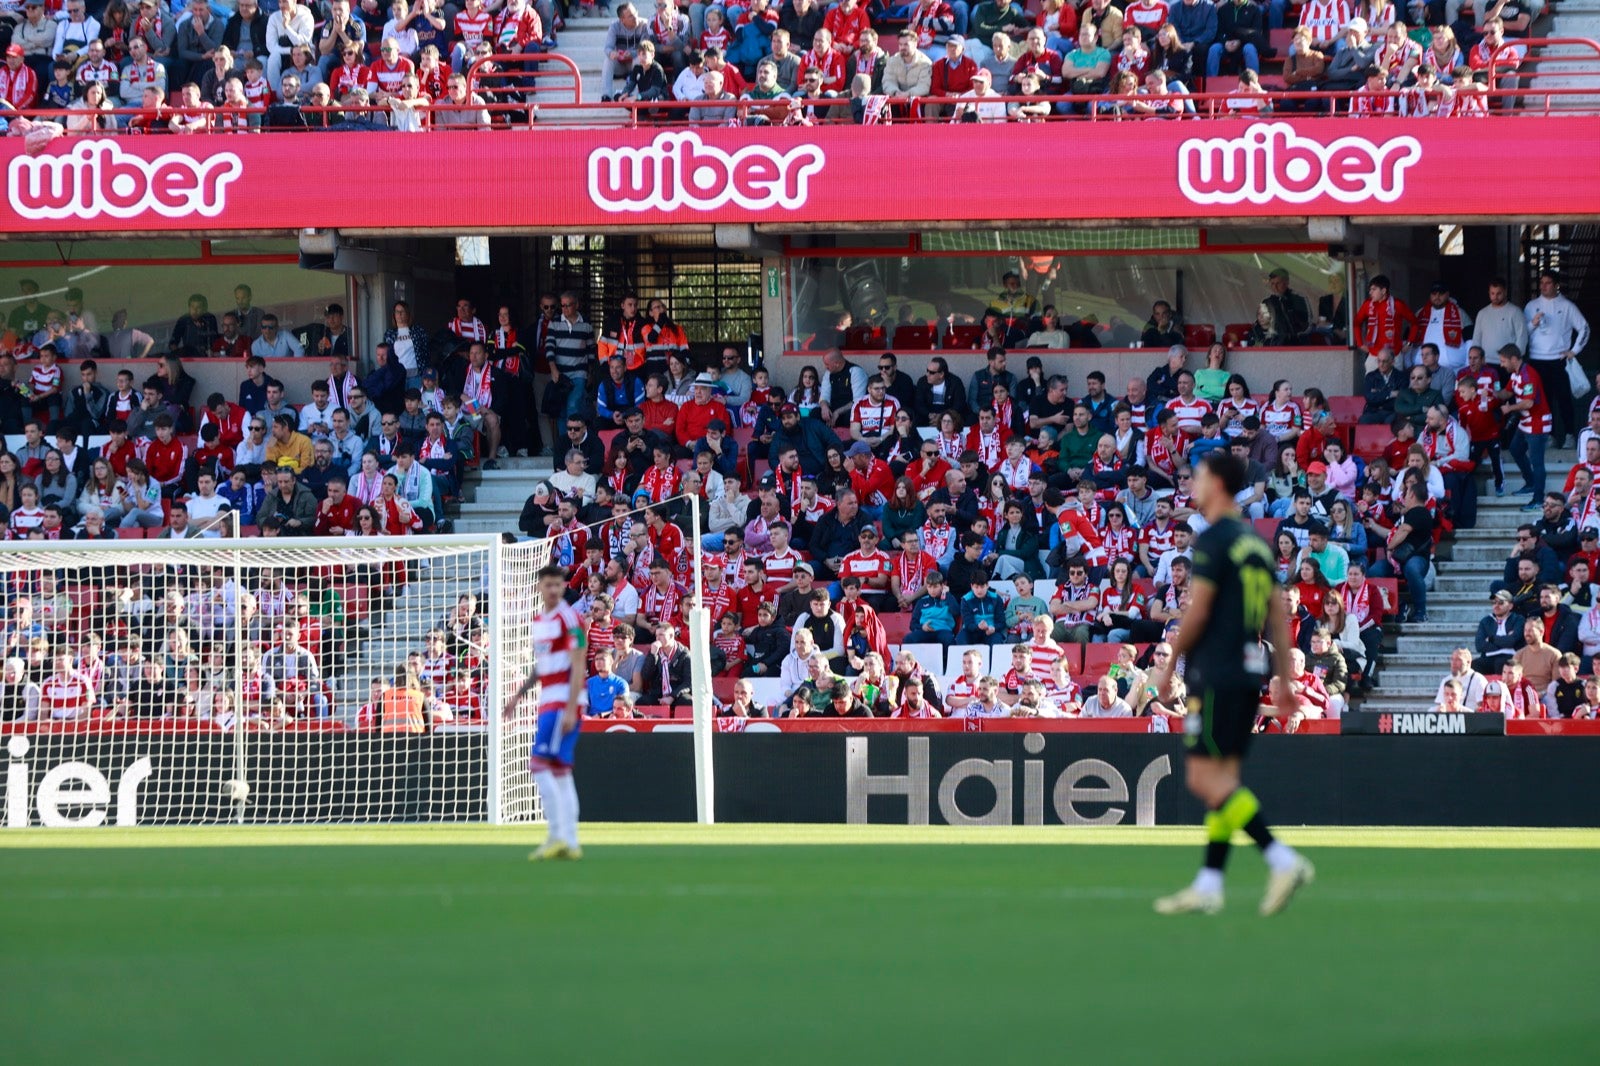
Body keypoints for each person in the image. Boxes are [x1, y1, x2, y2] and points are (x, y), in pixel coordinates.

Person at [1150, 450, 1313, 917]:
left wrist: (1171, 665)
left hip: (1216, 670)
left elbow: (1198, 611)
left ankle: (1282, 859)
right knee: (1224, 780)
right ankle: (1209, 882)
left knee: (1204, 777)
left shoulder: (1214, 540)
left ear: (1217, 484)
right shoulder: (1257, 543)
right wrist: (1282, 678)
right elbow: (1277, 617)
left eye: (1198, 476)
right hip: (1249, 669)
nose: (1192, 485)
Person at [504, 565, 587, 862]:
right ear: (539, 587)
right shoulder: (539, 620)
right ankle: (570, 841)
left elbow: (579, 664)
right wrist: (518, 695)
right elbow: (543, 665)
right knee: (560, 771)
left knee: (538, 765)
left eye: (558, 585)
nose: (553, 590)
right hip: (548, 698)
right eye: (548, 585)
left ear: (564, 587)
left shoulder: (570, 618)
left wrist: (570, 706)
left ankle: (556, 835)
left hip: (563, 699)